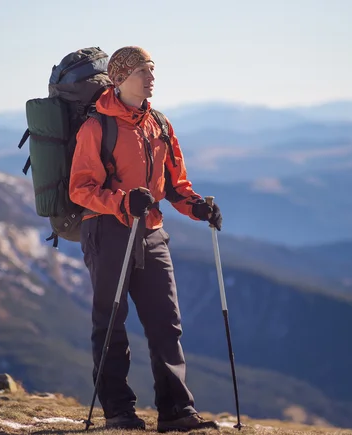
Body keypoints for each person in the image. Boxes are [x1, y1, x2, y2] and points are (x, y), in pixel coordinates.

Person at [69, 46, 223, 432]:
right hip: (108, 230)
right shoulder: (97, 126)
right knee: (111, 324)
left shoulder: (159, 124)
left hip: (151, 232)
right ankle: (119, 412)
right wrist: (122, 201)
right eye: (142, 70)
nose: (151, 76)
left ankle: (176, 413)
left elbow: (175, 184)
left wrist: (198, 207)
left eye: (152, 69)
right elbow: (80, 188)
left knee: (166, 323)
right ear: (120, 78)